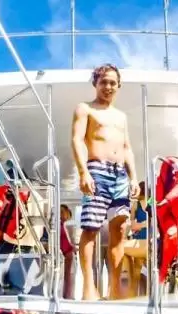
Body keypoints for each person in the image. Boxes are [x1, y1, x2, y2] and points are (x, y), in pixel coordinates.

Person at [71, 63, 138, 301]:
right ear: (96, 84)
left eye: (112, 82)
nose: (108, 86)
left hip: (120, 174)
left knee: (119, 230)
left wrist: (134, 177)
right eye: (103, 82)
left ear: (118, 85)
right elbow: (77, 140)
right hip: (96, 171)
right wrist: (83, 173)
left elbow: (127, 148)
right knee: (90, 229)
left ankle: (114, 290)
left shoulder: (121, 117)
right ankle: (89, 288)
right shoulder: (85, 109)